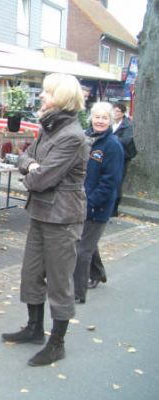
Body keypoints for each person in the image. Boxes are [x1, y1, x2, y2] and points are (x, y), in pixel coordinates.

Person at [1, 73, 89, 367]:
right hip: (40, 212)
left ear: (61, 97)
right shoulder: (49, 129)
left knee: (59, 283)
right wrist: (31, 165)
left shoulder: (72, 136)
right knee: (31, 275)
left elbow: (41, 179)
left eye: (47, 92)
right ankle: (34, 328)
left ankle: (57, 344)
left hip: (62, 218)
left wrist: (32, 170)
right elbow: (24, 157)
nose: (41, 96)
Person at [74, 102, 124, 303]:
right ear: (91, 118)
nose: (100, 121)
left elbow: (110, 182)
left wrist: (91, 203)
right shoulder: (86, 139)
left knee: (81, 250)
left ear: (110, 120)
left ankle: (77, 292)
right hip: (80, 200)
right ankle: (97, 272)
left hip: (97, 206)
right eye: (97, 117)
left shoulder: (113, 145)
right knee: (88, 242)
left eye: (104, 118)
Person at [111, 102, 136, 216]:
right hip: (109, 156)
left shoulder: (127, 125)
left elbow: (126, 140)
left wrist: (110, 140)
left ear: (122, 113)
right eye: (113, 111)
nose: (115, 113)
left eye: (117, 111)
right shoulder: (109, 123)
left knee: (117, 181)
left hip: (122, 157)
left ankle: (114, 209)